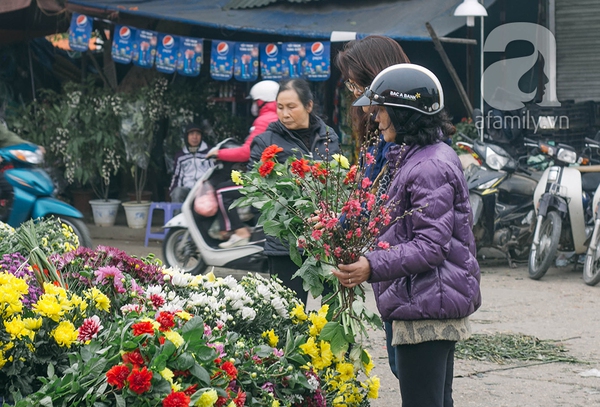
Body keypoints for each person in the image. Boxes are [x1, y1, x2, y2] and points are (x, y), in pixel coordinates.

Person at [332, 64, 482, 407]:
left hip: (428, 301)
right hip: (427, 298)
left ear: (404, 112)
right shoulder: (418, 157)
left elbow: (431, 245)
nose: (376, 118)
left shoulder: (428, 165)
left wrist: (370, 265)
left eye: (382, 110)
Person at [335, 34, 411, 378]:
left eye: (362, 90)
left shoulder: (410, 142)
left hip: (412, 280)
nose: (364, 107)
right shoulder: (381, 136)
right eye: (355, 92)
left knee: (416, 378)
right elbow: (368, 200)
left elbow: (420, 231)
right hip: (392, 275)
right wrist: (338, 228)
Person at [248, 78, 340, 304]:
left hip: (325, 240)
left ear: (308, 106)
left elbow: (337, 184)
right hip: (285, 245)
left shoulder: (328, 136)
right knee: (289, 314)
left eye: (291, 107)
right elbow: (255, 195)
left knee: (333, 313)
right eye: (280, 107)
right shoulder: (264, 142)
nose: (285, 113)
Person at [206, 80, 280, 249]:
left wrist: (219, 153)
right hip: (272, 176)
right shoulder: (277, 117)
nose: (254, 105)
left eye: (255, 101)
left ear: (262, 100)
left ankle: (238, 231)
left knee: (221, 191)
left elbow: (246, 151)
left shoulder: (264, 120)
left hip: (262, 179)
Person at [169, 122, 213, 203]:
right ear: (187, 136)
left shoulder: (209, 152)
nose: (195, 137)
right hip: (187, 189)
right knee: (178, 192)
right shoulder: (180, 155)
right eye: (191, 134)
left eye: (198, 134)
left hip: (204, 189)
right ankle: (178, 215)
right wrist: (173, 192)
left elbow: (214, 172)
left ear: (201, 136)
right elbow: (176, 177)